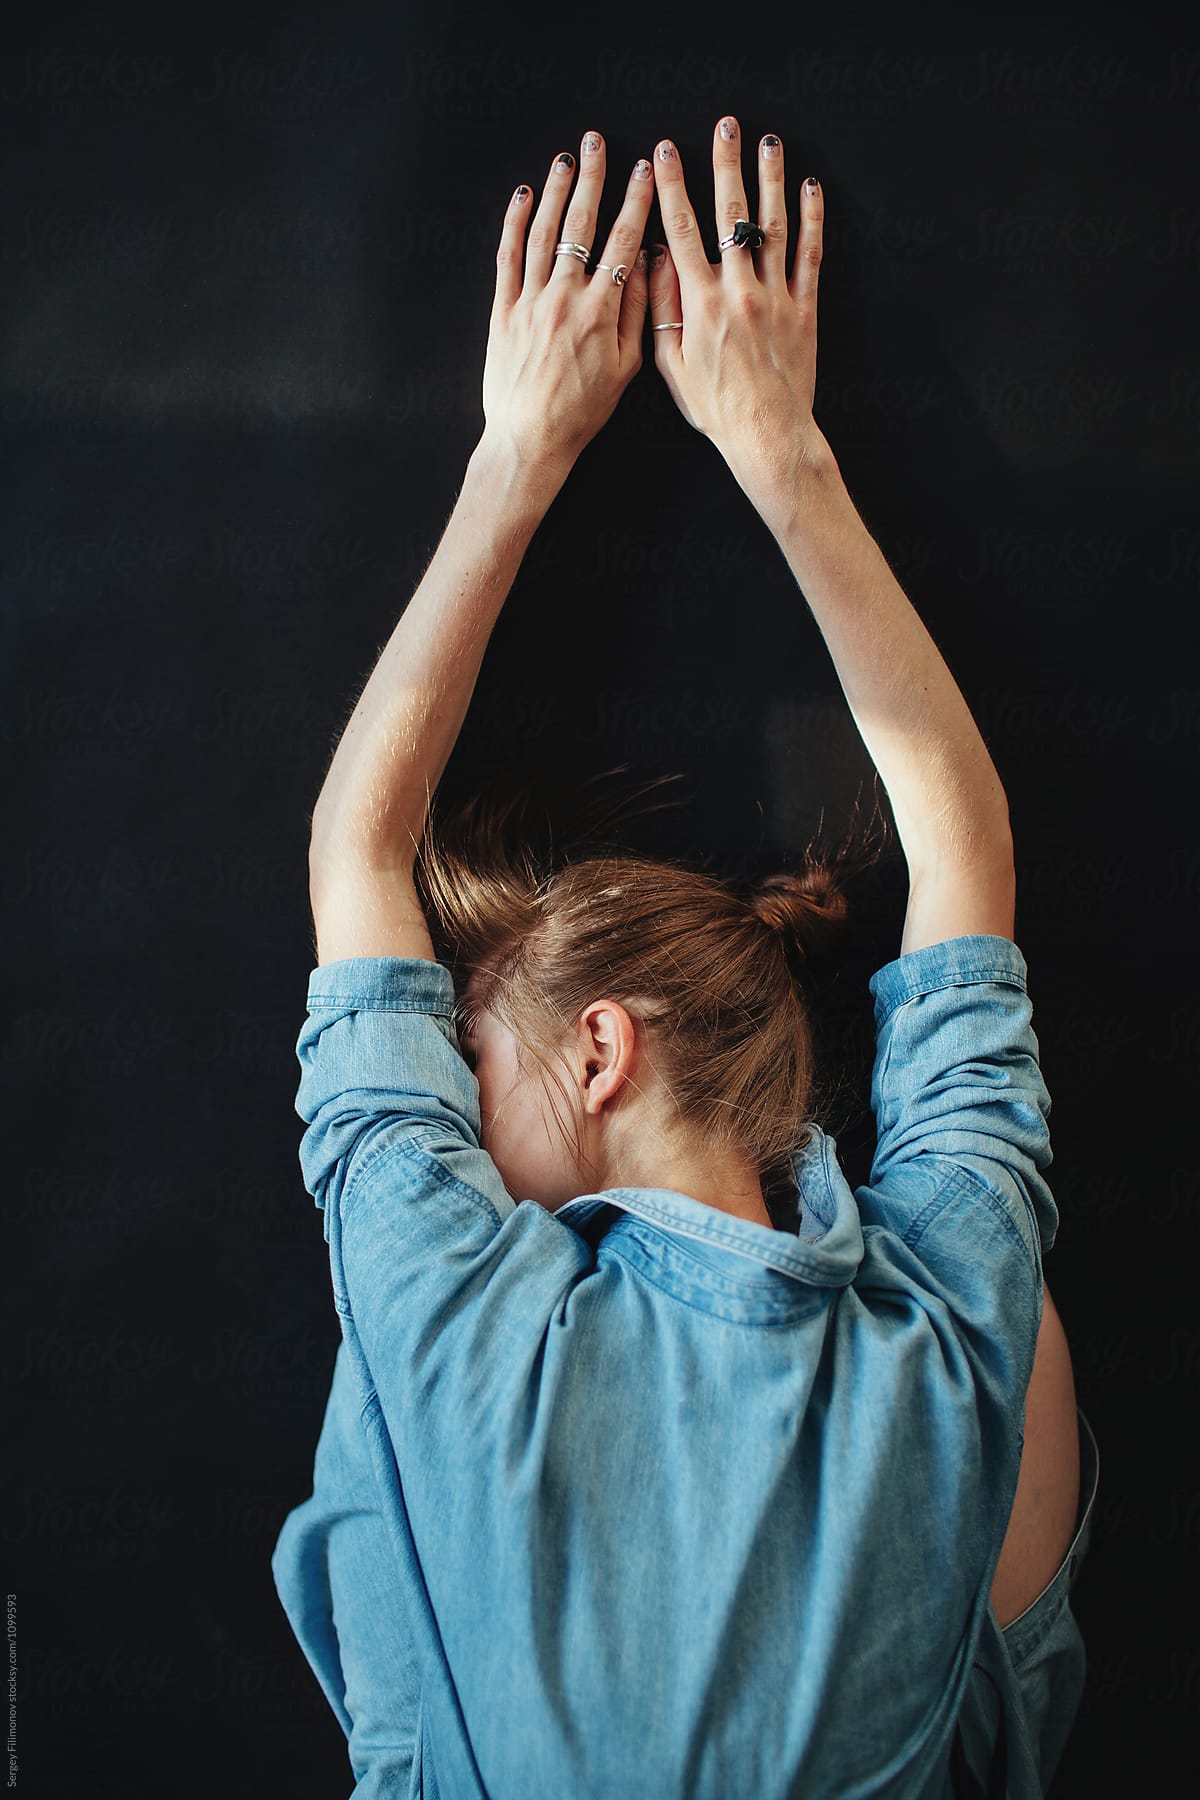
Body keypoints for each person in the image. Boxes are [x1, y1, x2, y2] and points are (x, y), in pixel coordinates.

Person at [271, 119, 1099, 1797]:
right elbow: (963, 843)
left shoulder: (458, 1321)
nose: (463, 1129)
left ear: (597, 1048)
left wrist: (520, 453)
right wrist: (777, 451)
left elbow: (362, 848)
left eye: (476, 1070)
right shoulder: (947, 1338)